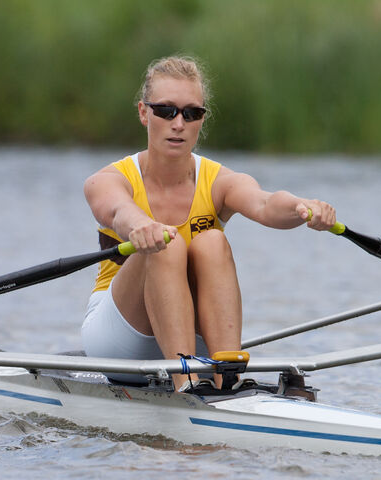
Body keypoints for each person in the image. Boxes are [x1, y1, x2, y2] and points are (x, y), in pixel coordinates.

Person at [82, 56, 336, 391]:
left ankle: (226, 380)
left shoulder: (218, 181)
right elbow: (117, 211)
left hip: (193, 335)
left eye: (191, 113)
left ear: (202, 119)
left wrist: (303, 207)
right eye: (166, 111)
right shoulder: (107, 180)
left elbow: (264, 203)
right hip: (121, 339)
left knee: (212, 241)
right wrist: (141, 226)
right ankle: (186, 383)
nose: (178, 123)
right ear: (144, 113)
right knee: (166, 244)